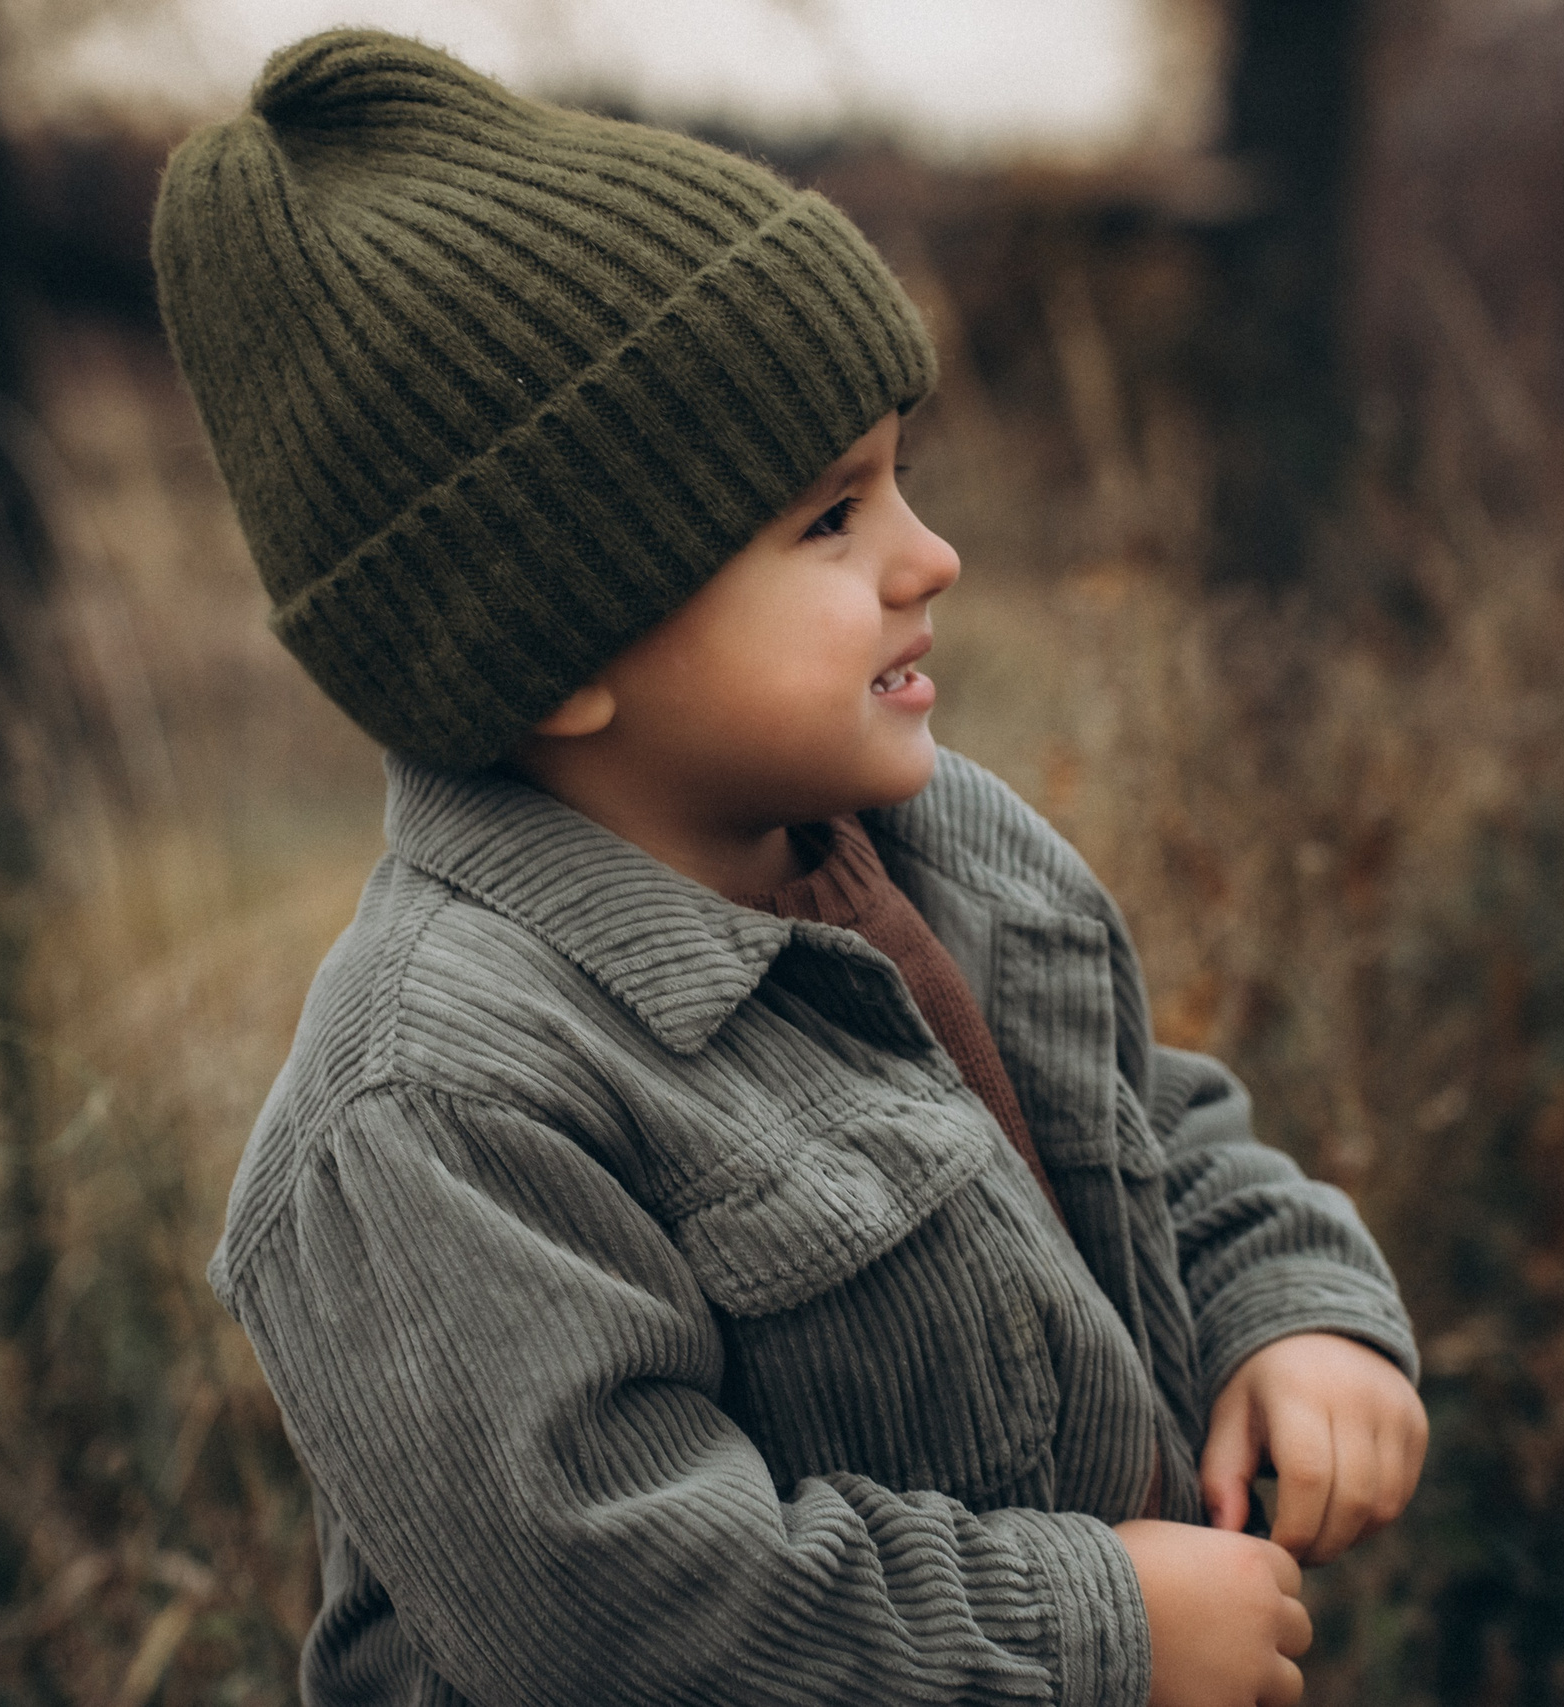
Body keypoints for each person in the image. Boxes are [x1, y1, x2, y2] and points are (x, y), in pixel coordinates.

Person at [151, 28, 1426, 1707]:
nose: (931, 556)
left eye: (901, 479)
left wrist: (1291, 1309)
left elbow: (1142, 1131)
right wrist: (1093, 1631)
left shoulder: (940, 844)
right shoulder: (433, 1106)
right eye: (830, 519)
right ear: (553, 653)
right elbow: (625, 1622)